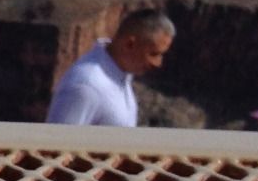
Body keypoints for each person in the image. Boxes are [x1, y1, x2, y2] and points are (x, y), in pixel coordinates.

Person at [45, 9, 175, 127]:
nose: (158, 63)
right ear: (130, 44)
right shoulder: (87, 86)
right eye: (154, 54)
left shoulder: (121, 73)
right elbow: (57, 148)